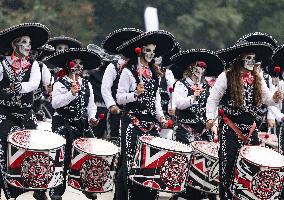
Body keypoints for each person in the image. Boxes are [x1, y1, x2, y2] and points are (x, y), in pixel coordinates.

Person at [207, 41, 282, 200]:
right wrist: (210, 119)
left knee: (253, 166)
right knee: (228, 166)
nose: (251, 61)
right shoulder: (226, 76)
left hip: (251, 129)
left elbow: (268, 99)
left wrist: (275, 98)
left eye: (253, 58)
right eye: (248, 58)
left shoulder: (258, 78)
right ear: (239, 59)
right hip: (230, 129)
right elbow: (212, 100)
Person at [115, 30, 175, 200]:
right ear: (140, 50)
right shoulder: (128, 72)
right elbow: (120, 99)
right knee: (129, 161)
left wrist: (161, 117)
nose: (151, 54)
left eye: (153, 51)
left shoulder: (155, 73)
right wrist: (134, 94)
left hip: (150, 124)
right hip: (132, 121)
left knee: (151, 163)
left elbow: (156, 99)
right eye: (147, 50)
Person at [0, 23, 50, 199]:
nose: (28, 45)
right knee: (5, 150)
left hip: (26, 115)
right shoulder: (2, 64)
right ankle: (8, 189)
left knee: (35, 151)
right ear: (15, 45)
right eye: (24, 42)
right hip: (5, 114)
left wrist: (17, 86)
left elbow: (34, 84)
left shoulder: (34, 65)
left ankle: (38, 189)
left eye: (29, 42)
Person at [46, 48, 101, 200]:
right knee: (62, 159)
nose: (78, 66)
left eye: (81, 63)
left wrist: (92, 117)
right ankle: (56, 191)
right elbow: (56, 103)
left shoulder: (87, 84)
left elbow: (91, 105)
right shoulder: (60, 83)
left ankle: (87, 186)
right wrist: (71, 94)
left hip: (81, 125)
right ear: (68, 65)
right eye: (74, 62)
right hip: (62, 124)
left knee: (89, 156)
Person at [171, 49, 224, 200]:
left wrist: (212, 122)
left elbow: (212, 107)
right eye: (198, 66)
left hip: (202, 132)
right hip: (184, 129)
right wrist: (193, 97)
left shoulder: (207, 86)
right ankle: (180, 192)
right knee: (185, 164)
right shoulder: (181, 84)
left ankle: (205, 192)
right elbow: (179, 104)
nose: (200, 70)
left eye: (203, 68)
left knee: (204, 164)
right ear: (190, 68)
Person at [100, 28, 143, 143]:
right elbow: (105, 88)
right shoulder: (113, 66)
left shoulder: (140, 67)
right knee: (116, 142)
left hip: (136, 112)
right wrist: (111, 105)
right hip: (118, 111)